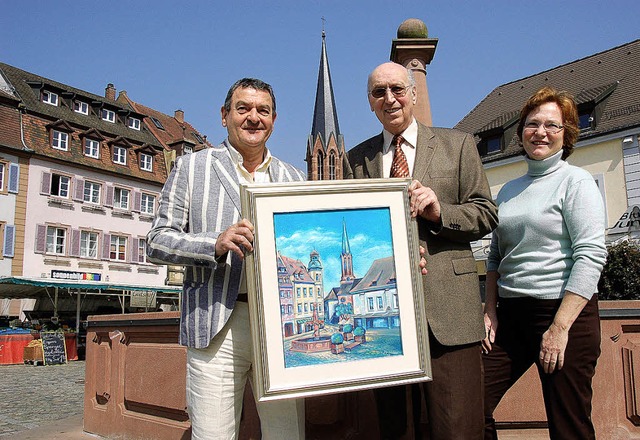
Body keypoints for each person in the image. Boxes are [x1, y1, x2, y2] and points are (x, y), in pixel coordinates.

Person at [344, 61, 498, 439]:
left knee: (457, 428)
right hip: (390, 319)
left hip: (448, 309)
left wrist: (439, 211)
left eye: (397, 89)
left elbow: (486, 214)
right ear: (370, 103)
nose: (390, 99)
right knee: (393, 427)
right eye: (379, 92)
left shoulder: (457, 144)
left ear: (413, 93)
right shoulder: (356, 159)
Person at [147, 78, 306, 440]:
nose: (253, 117)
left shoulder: (293, 177)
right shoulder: (191, 167)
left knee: (287, 434)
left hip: (279, 328)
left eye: (263, 110)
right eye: (243, 108)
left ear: (274, 119)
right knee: (214, 434)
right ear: (224, 116)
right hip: (217, 324)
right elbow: (156, 240)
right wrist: (213, 244)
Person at [482, 86, 607, 440]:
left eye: (553, 126)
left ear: (566, 135)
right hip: (511, 317)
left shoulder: (576, 182)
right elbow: (495, 256)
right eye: (533, 124)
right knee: (471, 406)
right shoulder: (508, 190)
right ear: (521, 131)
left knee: (569, 426)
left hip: (564, 314)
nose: (541, 132)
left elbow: (591, 255)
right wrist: (490, 309)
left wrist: (559, 328)